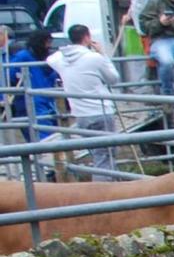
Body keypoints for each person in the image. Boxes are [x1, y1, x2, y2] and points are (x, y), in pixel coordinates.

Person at [51, 24, 123, 174]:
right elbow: (113, 79)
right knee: (106, 156)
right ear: (87, 37)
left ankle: (108, 186)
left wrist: (66, 50)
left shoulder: (60, 60)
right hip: (101, 111)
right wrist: (102, 53)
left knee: (96, 154)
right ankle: (105, 190)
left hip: (81, 115)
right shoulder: (94, 58)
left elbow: (51, 58)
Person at [6, 29, 61, 179]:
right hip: (30, 103)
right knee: (43, 139)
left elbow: (52, 74)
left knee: (49, 137)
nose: (49, 46)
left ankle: (48, 171)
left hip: (46, 101)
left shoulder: (44, 57)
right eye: (47, 42)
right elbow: (10, 76)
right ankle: (48, 172)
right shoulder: (23, 57)